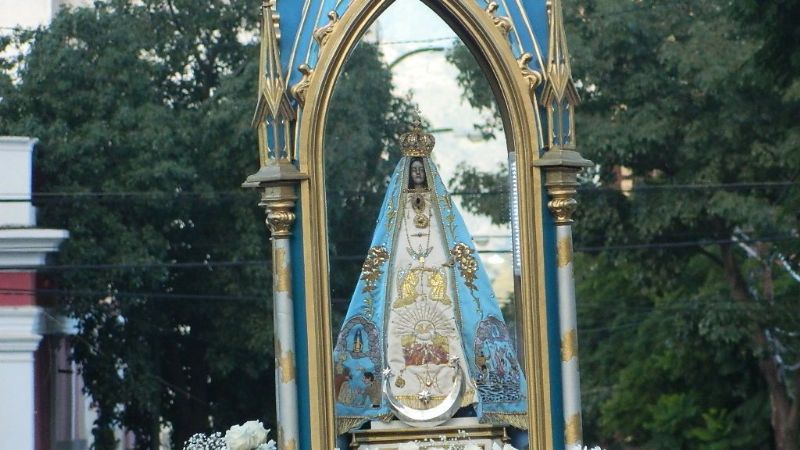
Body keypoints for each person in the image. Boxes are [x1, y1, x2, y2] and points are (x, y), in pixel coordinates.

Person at [333, 118, 527, 434]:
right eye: (414, 172)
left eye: (423, 171)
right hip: (403, 296)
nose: (419, 177)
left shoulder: (443, 220)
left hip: (439, 297)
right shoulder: (395, 221)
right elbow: (381, 266)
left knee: (451, 327)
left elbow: (462, 266)